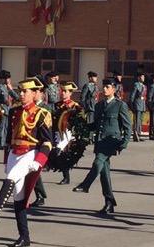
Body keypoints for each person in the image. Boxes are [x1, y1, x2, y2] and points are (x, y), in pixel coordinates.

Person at [0, 77, 53, 247]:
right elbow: (9, 139)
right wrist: (6, 160)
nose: (22, 94)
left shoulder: (42, 114)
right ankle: (24, 237)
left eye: (26, 91)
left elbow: (47, 142)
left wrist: (40, 161)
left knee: (11, 178)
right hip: (14, 154)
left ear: (35, 93)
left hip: (30, 153)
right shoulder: (14, 111)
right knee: (19, 197)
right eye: (21, 91)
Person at [73, 78, 132, 216]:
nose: (104, 89)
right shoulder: (99, 105)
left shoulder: (120, 105)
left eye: (107, 87)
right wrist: (81, 125)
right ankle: (109, 202)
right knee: (104, 173)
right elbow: (95, 125)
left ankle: (85, 185)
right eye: (103, 87)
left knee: (98, 161)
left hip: (111, 141)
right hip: (100, 142)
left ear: (114, 89)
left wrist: (124, 143)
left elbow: (127, 126)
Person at [51, 81, 84, 186]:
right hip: (57, 132)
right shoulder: (57, 105)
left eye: (66, 91)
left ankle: (66, 177)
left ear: (70, 93)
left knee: (63, 153)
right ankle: (63, 174)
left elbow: (80, 120)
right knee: (57, 153)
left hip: (68, 134)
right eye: (62, 91)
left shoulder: (75, 106)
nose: (63, 93)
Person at [0, 70, 16, 149]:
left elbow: (17, 98)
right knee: (1, 127)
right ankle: (1, 143)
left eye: (8, 78)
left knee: (6, 127)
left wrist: (11, 89)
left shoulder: (8, 87)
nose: (8, 80)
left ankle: (4, 141)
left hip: (8, 109)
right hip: (2, 109)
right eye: (6, 78)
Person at [128, 71, 147, 142]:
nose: (143, 78)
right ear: (138, 78)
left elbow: (144, 96)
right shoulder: (136, 85)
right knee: (137, 120)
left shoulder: (144, 86)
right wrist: (131, 104)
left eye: (144, 77)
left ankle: (139, 134)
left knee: (140, 120)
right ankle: (135, 135)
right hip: (137, 104)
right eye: (142, 76)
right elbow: (132, 95)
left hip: (142, 105)